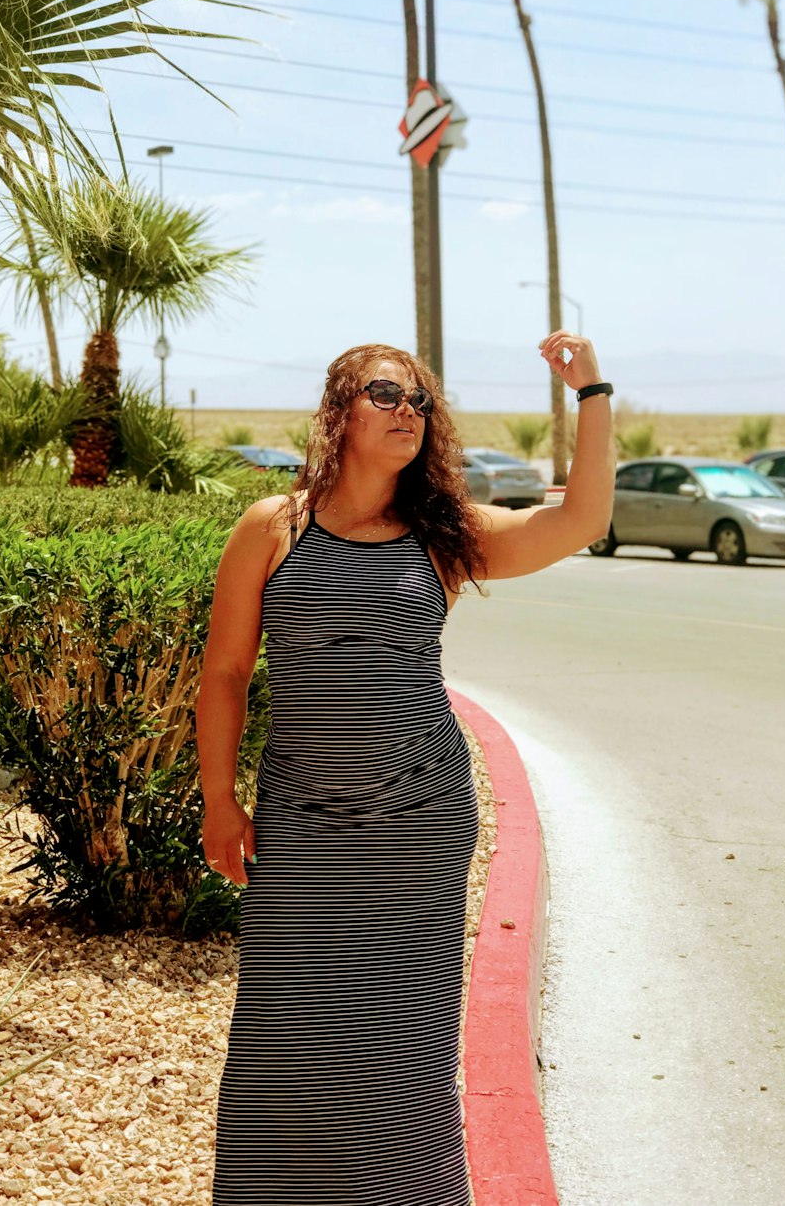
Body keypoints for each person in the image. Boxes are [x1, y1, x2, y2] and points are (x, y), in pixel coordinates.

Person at [197, 333, 615, 1206]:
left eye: (420, 402)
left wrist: (593, 393)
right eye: (387, 395)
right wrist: (219, 802)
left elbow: (579, 521)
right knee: (287, 1033)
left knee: (401, 1044)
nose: (407, 413)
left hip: (416, 829)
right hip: (304, 824)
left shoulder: (441, 536)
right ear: (340, 410)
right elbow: (226, 672)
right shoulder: (274, 527)